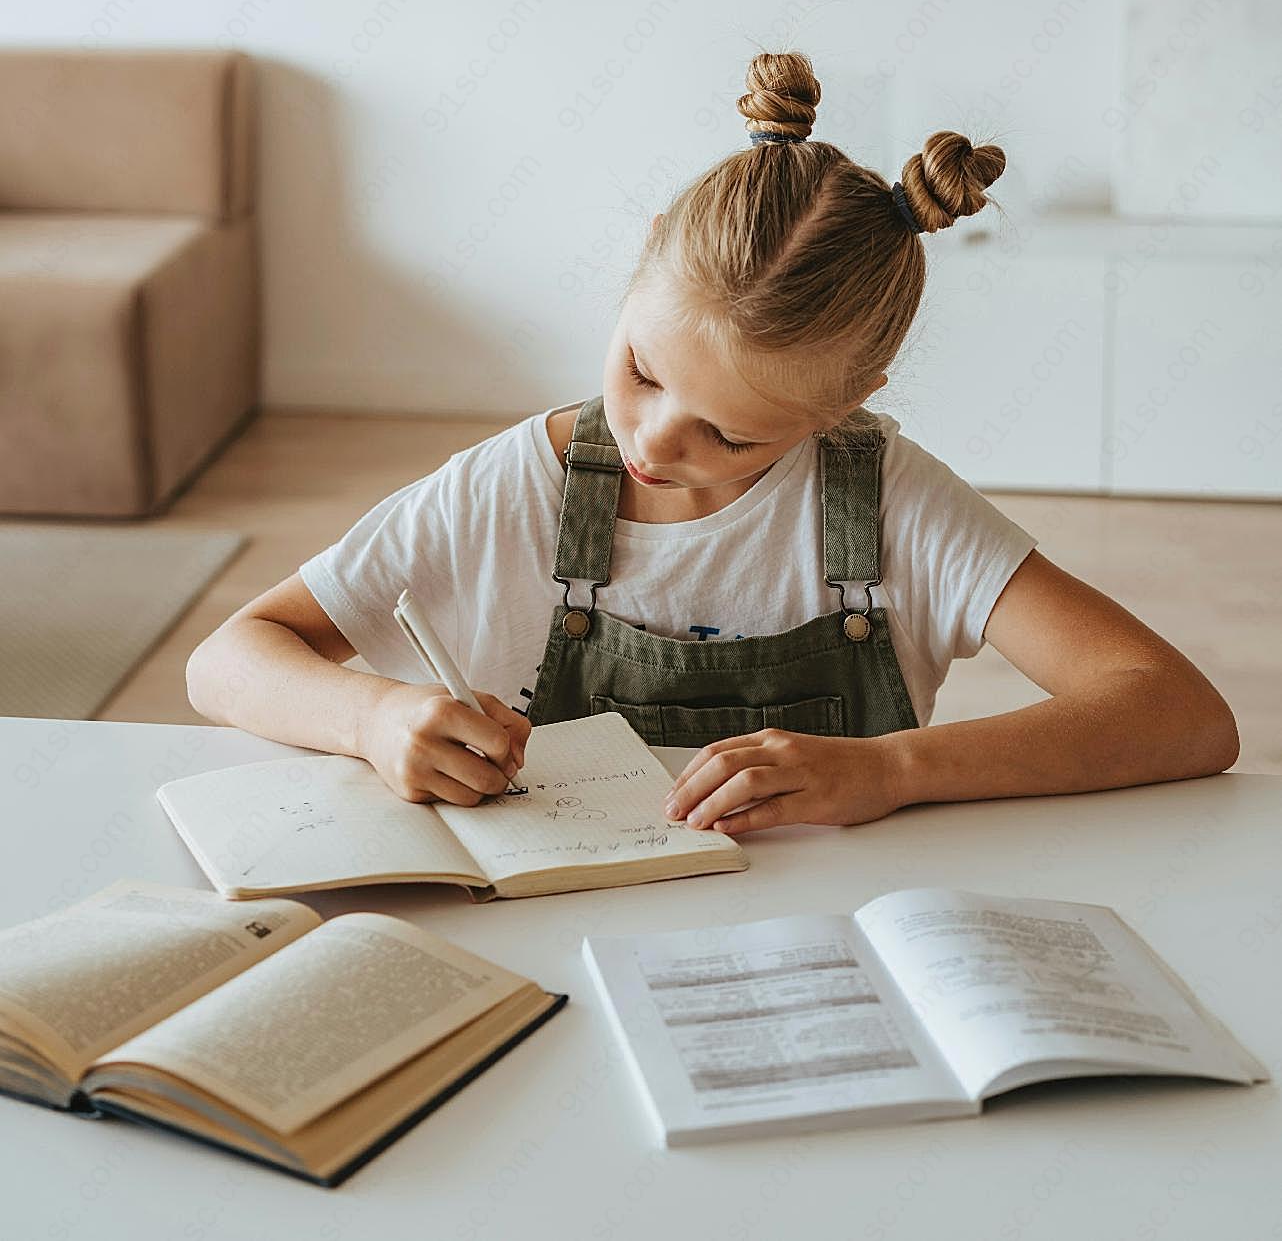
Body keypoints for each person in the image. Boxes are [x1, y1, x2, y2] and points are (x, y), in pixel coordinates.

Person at [186, 51, 1240, 836]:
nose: (650, 437)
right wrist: (374, 719)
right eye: (641, 371)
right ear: (644, 261)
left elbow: (1180, 715)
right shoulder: (514, 488)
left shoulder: (890, 507)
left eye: (730, 433)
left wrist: (892, 772)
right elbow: (228, 661)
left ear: (845, 402)